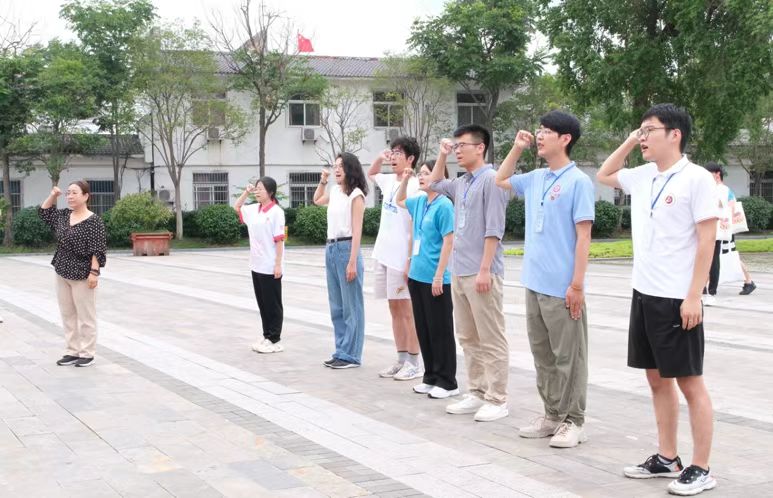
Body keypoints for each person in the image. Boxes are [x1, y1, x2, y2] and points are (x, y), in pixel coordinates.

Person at [597, 104, 717, 496]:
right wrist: (631, 140)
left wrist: (694, 296)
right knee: (655, 378)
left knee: (690, 382)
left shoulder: (697, 179)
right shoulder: (644, 175)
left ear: (675, 134)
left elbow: (707, 240)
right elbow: (604, 174)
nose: (643, 137)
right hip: (644, 292)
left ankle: (701, 467)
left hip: (677, 298)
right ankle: (668, 457)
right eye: (641, 130)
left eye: (650, 130)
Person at [494, 110, 594, 448]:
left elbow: (583, 236)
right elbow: (501, 179)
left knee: (570, 358)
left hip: (562, 287)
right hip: (534, 283)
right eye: (539, 129)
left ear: (565, 139)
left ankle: (574, 420)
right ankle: (552, 414)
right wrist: (517, 148)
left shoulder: (578, 181)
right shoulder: (537, 176)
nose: (539, 135)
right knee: (543, 355)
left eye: (546, 131)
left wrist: (577, 285)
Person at [429, 124, 512, 422]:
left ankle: (497, 398)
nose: (457, 151)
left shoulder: (493, 179)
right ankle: (477, 391)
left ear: (480, 147)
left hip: (481, 272)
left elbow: (494, 229)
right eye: (455, 146)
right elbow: (434, 183)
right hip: (460, 270)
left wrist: (485, 269)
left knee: (491, 336)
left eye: (461, 145)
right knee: (468, 336)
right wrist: (442, 154)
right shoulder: (462, 182)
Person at [395, 160, 458, 399]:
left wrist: (439, 275)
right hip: (417, 276)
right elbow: (400, 200)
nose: (421, 177)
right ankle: (430, 377)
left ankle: (447, 381)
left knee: (440, 330)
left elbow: (449, 241)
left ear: (439, 176)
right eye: (419, 173)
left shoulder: (444, 205)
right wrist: (404, 180)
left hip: (436, 278)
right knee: (424, 328)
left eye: (426, 173)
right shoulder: (420, 201)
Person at [368, 137, 422, 381]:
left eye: (398, 153)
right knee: (394, 309)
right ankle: (400, 359)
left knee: (407, 310)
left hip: (401, 257)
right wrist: (381, 157)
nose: (394, 156)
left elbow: (416, 227)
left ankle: (414, 362)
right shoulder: (389, 180)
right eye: (393, 152)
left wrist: (410, 259)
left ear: (410, 158)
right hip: (383, 254)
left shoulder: (416, 186)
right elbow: (372, 173)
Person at [38, 181, 107, 368]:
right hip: (62, 270)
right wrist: (53, 195)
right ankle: (72, 351)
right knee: (67, 314)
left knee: (86, 316)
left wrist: (94, 273)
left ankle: (87, 353)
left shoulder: (94, 221)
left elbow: (98, 249)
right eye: (68, 193)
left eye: (74, 193)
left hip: (83, 273)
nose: (69, 196)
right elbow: (44, 212)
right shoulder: (63, 215)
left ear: (86, 196)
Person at [314, 152, 368, 369]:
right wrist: (323, 181)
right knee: (336, 305)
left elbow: (357, 230)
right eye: (335, 166)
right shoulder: (335, 191)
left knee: (351, 306)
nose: (336, 169)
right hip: (331, 248)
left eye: (341, 166)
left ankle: (351, 355)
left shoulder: (356, 195)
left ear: (350, 169)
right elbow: (317, 200)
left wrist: (352, 261)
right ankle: (341, 351)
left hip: (347, 249)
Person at [235, 176, 285, 353]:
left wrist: (278, 264)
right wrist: (246, 192)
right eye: (256, 188)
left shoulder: (276, 212)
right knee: (262, 303)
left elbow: (279, 240)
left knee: (273, 303)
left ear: (270, 192)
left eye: (261, 189)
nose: (257, 191)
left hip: (270, 265)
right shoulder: (253, 209)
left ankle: (275, 338)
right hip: (256, 264)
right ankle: (267, 336)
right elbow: (237, 207)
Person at [702, 162, 756, 299]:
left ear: (717, 174)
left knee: (725, 255)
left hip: (723, 229)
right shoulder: (720, 189)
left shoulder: (723, 190)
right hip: (723, 229)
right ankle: (748, 281)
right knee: (719, 256)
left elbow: (730, 209)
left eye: (708, 174)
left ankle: (748, 281)